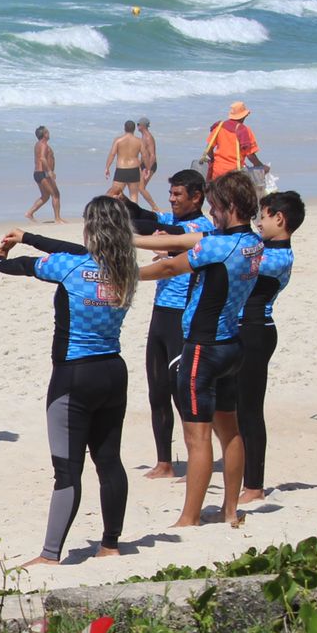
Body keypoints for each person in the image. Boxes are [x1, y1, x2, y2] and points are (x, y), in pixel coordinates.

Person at [0, 196, 138, 565]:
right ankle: (110, 544)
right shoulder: (126, 270)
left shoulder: (69, 267)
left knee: (67, 469)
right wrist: (27, 235)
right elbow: (73, 251)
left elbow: (20, 267)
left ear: (90, 229)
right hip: (112, 371)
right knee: (109, 461)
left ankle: (50, 554)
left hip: (74, 376)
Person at [136, 171, 265, 528]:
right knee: (231, 431)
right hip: (230, 345)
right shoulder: (253, 243)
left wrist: (125, 275)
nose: (213, 212)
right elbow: (192, 237)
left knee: (197, 437)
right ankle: (229, 510)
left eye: (217, 206)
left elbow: (168, 267)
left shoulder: (216, 247)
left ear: (231, 206)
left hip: (202, 349)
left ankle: (189, 517)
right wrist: (134, 239)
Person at [126, 169, 216, 479]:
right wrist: (118, 203)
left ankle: (197, 457)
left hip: (182, 316)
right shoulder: (173, 221)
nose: (172, 199)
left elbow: (157, 227)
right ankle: (164, 462)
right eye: (171, 193)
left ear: (196, 197)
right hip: (160, 314)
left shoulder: (201, 228)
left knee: (182, 394)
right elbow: (144, 217)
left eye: (178, 194)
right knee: (157, 391)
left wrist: (154, 234)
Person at [237, 190, 304, 503]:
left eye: (262, 217)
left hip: (256, 333)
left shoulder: (277, 257)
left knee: (249, 410)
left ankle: (254, 485)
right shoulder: (263, 247)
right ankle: (243, 478)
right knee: (235, 409)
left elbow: (240, 259)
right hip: (242, 330)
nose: (258, 223)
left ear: (280, 219)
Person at [203, 101, 268, 182]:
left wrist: (213, 159)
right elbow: (250, 156)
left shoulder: (219, 126)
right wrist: (261, 167)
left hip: (217, 172)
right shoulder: (244, 130)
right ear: (244, 115)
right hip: (234, 175)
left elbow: (208, 149)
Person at [27, 126, 63, 223]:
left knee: (45, 196)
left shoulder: (38, 144)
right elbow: (42, 158)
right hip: (43, 173)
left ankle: (29, 213)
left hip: (38, 173)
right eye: (47, 132)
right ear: (44, 134)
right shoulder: (43, 145)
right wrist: (50, 171)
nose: (49, 133)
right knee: (56, 194)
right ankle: (57, 218)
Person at [104, 120, 145, 202]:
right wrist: (145, 168)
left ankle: (113, 213)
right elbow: (144, 155)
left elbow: (112, 154)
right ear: (134, 129)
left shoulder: (118, 140)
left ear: (124, 128)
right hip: (134, 170)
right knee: (134, 195)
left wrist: (107, 167)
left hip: (121, 170)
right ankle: (134, 214)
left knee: (114, 194)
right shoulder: (139, 141)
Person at [136, 117, 159, 209]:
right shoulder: (143, 136)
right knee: (140, 188)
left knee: (141, 188)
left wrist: (148, 169)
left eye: (138, 124)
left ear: (142, 125)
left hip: (149, 165)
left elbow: (152, 155)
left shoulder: (148, 137)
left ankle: (155, 207)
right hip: (145, 165)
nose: (137, 126)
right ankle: (153, 207)